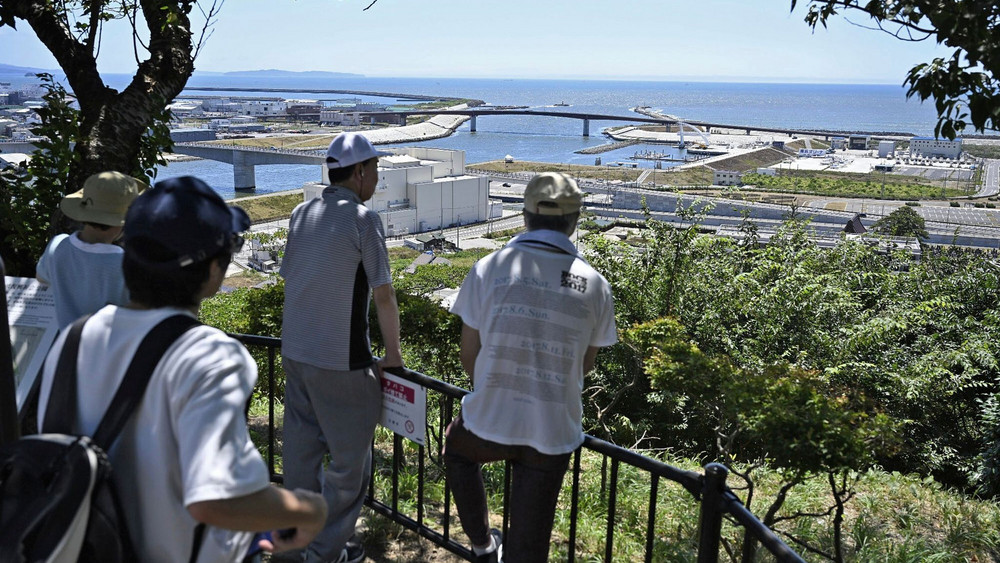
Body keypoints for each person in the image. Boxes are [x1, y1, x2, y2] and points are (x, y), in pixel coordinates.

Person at [35, 176, 328, 562]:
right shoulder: (209, 356)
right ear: (212, 272)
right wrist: (309, 510)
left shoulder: (71, 342)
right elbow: (215, 499)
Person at [444, 172, 618, 563]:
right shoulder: (593, 283)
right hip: (553, 425)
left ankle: (482, 543)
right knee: (530, 541)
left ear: (525, 216)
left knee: (457, 451)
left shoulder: (489, 267)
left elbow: (468, 351)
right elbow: (585, 365)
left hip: (490, 418)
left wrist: (492, 386)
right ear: (575, 221)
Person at [279, 132, 404, 563]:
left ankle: (292, 549)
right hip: (341, 360)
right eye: (374, 170)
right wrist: (393, 357)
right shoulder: (363, 218)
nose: (376, 177)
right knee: (351, 467)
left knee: (300, 458)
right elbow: (383, 294)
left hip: (295, 352)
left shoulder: (301, 211)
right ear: (359, 172)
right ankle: (323, 552)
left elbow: (291, 275)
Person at [36, 171, 145, 329]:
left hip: (68, 346)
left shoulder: (57, 246)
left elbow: (41, 277)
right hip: (111, 348)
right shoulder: (127, 263)